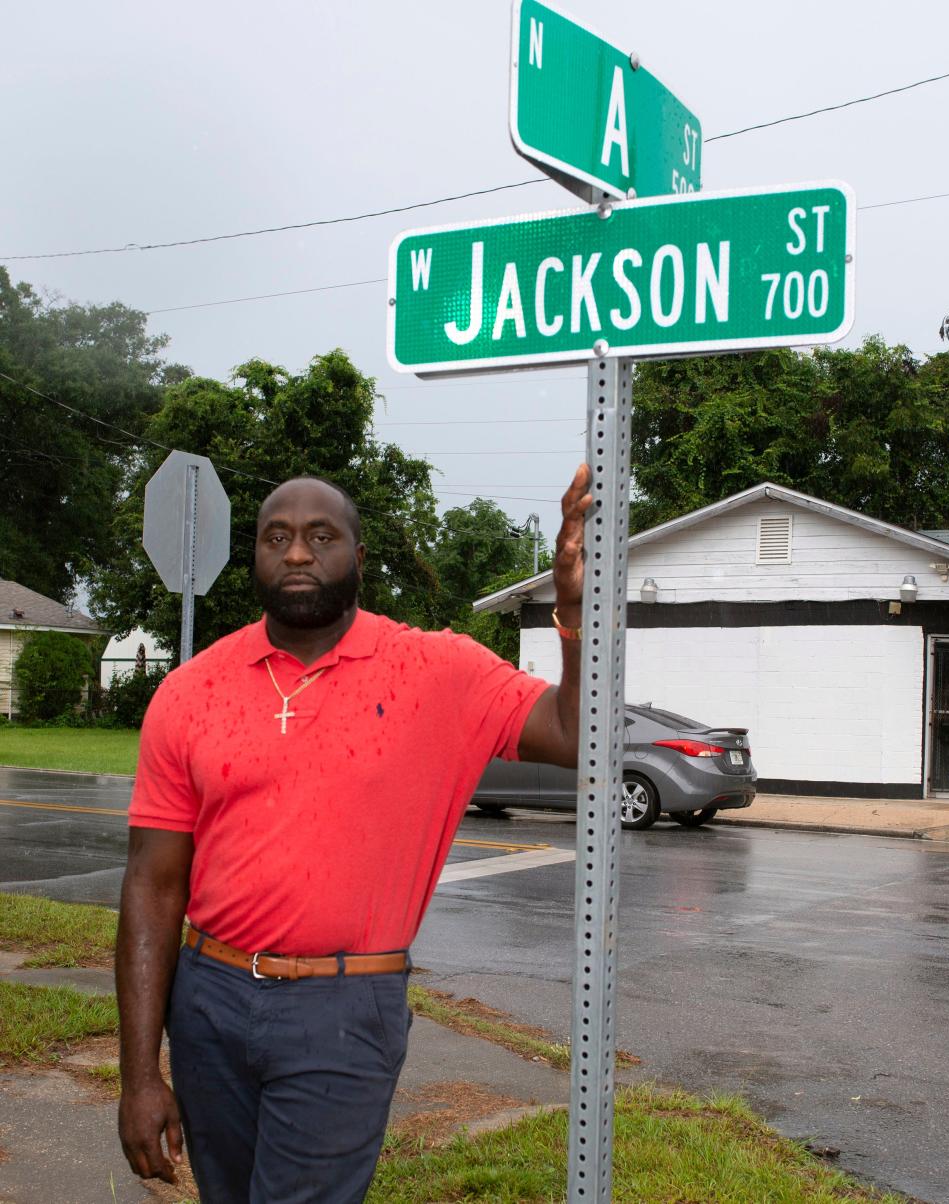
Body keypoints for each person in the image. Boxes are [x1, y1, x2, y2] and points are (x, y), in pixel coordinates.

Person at [116, 466, 592, 1202]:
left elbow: (574, 730)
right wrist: (141, 1075)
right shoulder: (189, 691)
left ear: (359, 560)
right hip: (206, 1000)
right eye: (277, 537)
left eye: (320, 536)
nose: (297, 554)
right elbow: (152, 884)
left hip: (342, 1008)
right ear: (256, 558)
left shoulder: (439, 670)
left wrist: (574, 614)